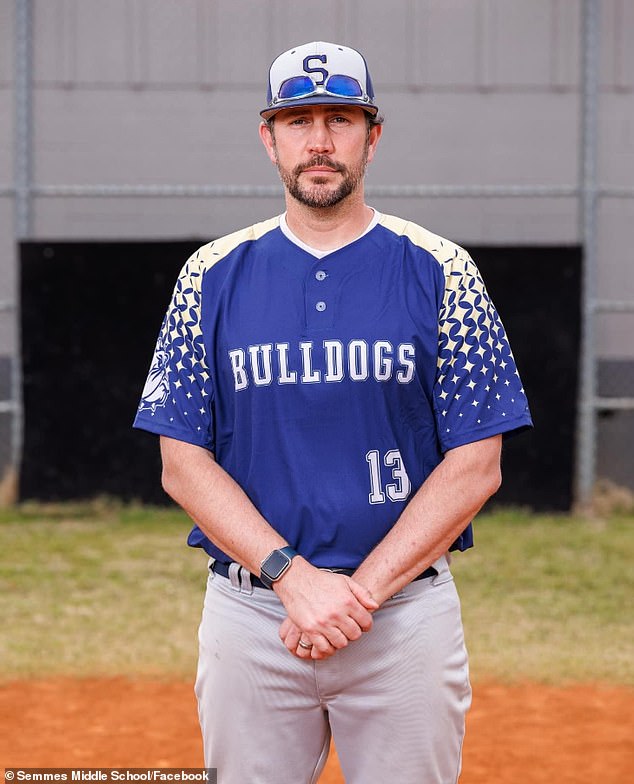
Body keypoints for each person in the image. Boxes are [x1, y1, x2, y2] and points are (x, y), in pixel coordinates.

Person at [134, 40, 532, 784]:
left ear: (373, 136)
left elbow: (477, 464)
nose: (319, 141)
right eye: (297, 121)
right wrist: (294, 579)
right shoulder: (210, 276)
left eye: (340, 119)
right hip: (253, 616)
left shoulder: (442, 270)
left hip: (403, 616)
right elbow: (181, 464)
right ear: (268, 137)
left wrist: (359, 594)